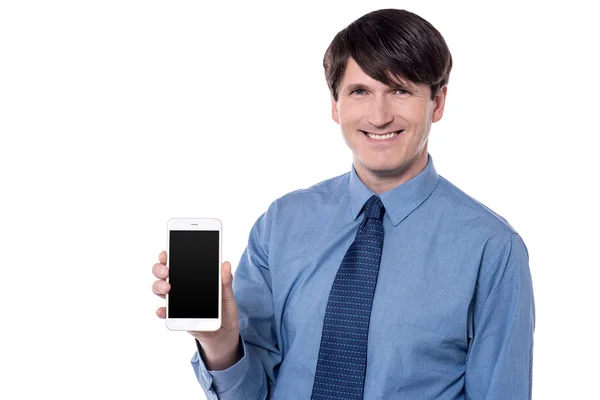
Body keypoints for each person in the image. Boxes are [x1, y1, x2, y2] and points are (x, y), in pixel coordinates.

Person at [152, 8, 535, 400]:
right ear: (335, 105)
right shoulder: (282, 224)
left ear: (437, 103)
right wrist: (220, 340)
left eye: (401, 91)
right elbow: (247, 394)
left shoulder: (493, 247)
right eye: (360, 91)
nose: (380, 116)